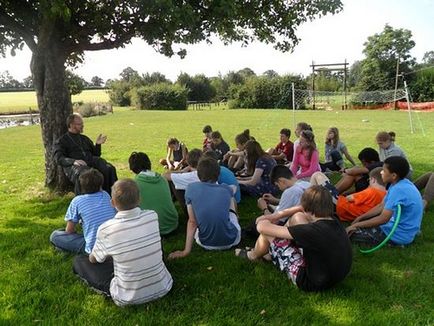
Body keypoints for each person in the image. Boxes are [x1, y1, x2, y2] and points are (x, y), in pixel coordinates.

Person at [72, 179, 173, 306]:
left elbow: (94, 260)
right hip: (164, 286)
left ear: (112, 203)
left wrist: (95, 255)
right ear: (139, 199)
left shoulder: (106, 228)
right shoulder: (152, 216)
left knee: (80, 261)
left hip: (127, 296)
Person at [235, 186, 352, 292]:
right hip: (333, 277)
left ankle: (254, 255)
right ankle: (270, 254)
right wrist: (277, 215)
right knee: (297, 217)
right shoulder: (334, 221)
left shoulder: (310, 231)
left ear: (308, 208)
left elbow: (262, 228)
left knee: (269, 233)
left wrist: (266, 217)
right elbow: (301, 209)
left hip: (310, 282)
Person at [168, 157, 241, 259]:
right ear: (218, 174)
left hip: (205, 243)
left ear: (198, 174)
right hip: (232, 240)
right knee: (231, 200)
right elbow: (233, 188)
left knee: (196, 218)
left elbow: (192, 222)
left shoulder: (191, 188)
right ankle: (236, 217)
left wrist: (186, 251)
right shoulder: (226, 189)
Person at [347, 156, 423, 246]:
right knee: (364, 223)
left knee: (349, 234)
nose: (381, 172)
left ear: (394, 175)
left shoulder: (398, 190)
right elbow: (381, 206)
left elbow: (383, 219)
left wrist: (357, 225)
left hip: (398, 236)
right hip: (402, 230)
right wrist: (361, 218)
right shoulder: (400, 184)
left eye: (384, 170)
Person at [50, 168, 117, 254]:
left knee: (55, 235)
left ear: (81, 186)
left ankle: (64, 247)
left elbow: (69, 230)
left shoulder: (77, 201)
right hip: (112, 243)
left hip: (93, 249)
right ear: (101, 184)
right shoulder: (106, 195)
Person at [53, 113, 118, 194]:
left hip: (90, 161)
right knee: (87, 175)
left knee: (109, 168)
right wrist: (73, 161)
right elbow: (58, 158)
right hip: (75, 166)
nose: (82, 126)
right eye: (80, 124)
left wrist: (98, 144)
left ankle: (112, 197)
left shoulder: (84, 139)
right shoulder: (62, 141)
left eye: (82, 124)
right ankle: (85, 202)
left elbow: (96, 154)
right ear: (72, 125)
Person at [129, 151, 179, 235]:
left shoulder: (135, 184)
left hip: (153, 229)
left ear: (132, 167)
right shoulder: (162, 178)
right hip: (172, 223)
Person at [311, 167, 386, 222]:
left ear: (373, 180)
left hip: (339, 205)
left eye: (369, 180)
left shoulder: (371, 191)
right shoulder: (386, 195)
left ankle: (309, 204)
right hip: (346, 215)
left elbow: (350, 198)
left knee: (317, 175)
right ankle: (314, 205)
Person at [163, 149, 202, 215]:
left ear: (188, 163)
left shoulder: (189, 176)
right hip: (209, 205)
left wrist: (181, 171)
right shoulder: (209, 170)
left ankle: (172, 204)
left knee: (172, 181)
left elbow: (164, 175)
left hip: (196, 212)